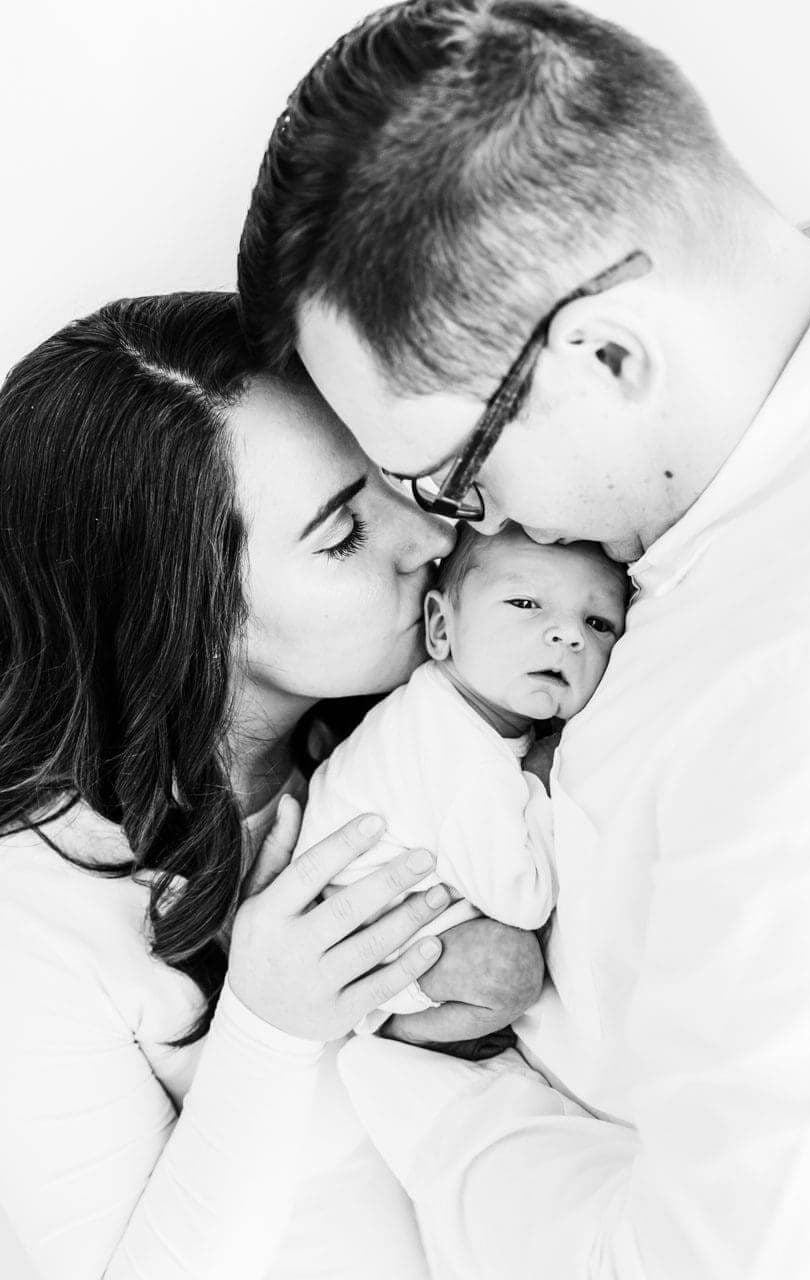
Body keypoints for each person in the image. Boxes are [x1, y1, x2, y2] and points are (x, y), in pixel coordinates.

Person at [236, 1, 810, 1276]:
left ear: (608, 355)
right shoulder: (752, 493)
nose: (461, 533)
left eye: (453, 475)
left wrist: (416, 1082)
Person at [0, 291, 543, 1280]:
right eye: (342, 535)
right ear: (182, 619)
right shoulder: (35, 917)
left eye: (388, 478)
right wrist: (266, 1028)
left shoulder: (447, 706)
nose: (428, 538)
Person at [297, 522, 627, 1042]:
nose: (569, 635)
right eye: (525, 603)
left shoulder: (457, 706)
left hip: (401, 911)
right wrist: (541, 778)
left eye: (599, 623)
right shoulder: (459, 753)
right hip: (365, 953)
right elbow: (524, 900)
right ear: (441, 628)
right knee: (508, 968)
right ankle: (397, 1031)